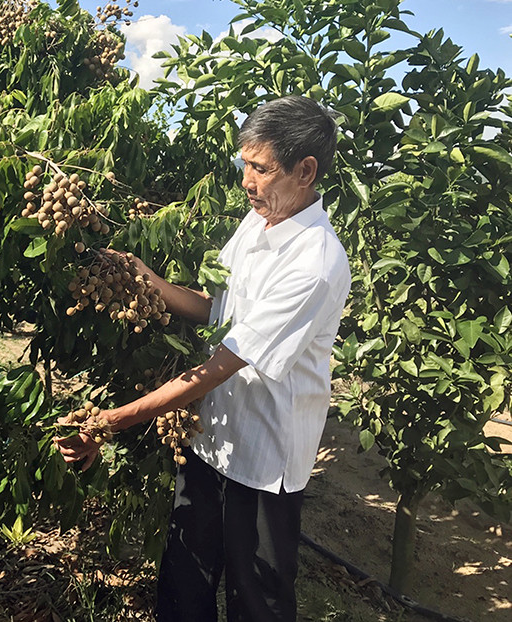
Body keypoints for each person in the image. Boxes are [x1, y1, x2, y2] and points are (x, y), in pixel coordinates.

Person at [54, 96, 351, 621]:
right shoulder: (257, 225)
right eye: (246, 165)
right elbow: (221, 312)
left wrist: (110, 421)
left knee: (256, 597)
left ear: (305, 171)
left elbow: (223, 362)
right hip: (210, 436)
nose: (246, 181)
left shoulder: (316, 263)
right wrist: (147, 279)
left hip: (263, 458)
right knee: (184, 578)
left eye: (260, 168)